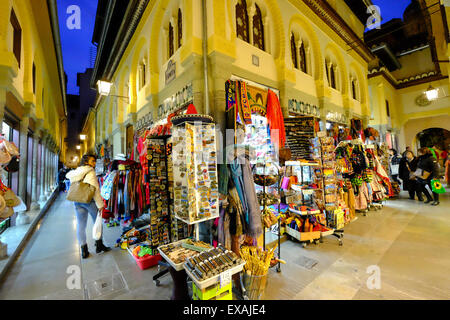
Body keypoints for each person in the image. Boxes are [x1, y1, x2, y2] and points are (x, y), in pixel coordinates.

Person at [66, 154, 111, 258]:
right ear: (86, 162)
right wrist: (100, 205)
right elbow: (95, 190)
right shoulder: (90, 172)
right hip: (89, 201)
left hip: (77, 200)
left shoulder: (76, 171)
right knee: (97, 223)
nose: (94, 163)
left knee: (81, 225)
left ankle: (84, 250)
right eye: (92, 161)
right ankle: (99, 246)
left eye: (95, 161)